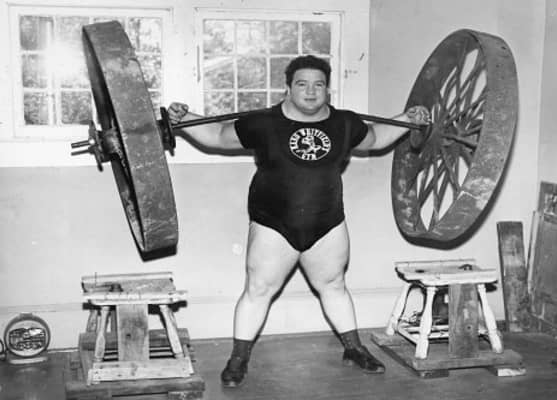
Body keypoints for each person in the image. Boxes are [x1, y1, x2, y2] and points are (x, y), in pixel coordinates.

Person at [168, 55, 430, 388]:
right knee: (258, 289)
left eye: (318, 84)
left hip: (327, 221)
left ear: (327, 90)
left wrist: (407, 119)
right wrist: (183, 118)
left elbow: (376, 138)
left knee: (334, 285)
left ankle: (354, 349)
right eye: (302, 84)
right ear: (288, 88)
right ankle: (238, 359)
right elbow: (218, 135)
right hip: (273, 223)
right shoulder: (264, 122)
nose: (310, 91)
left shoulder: (344, 123)